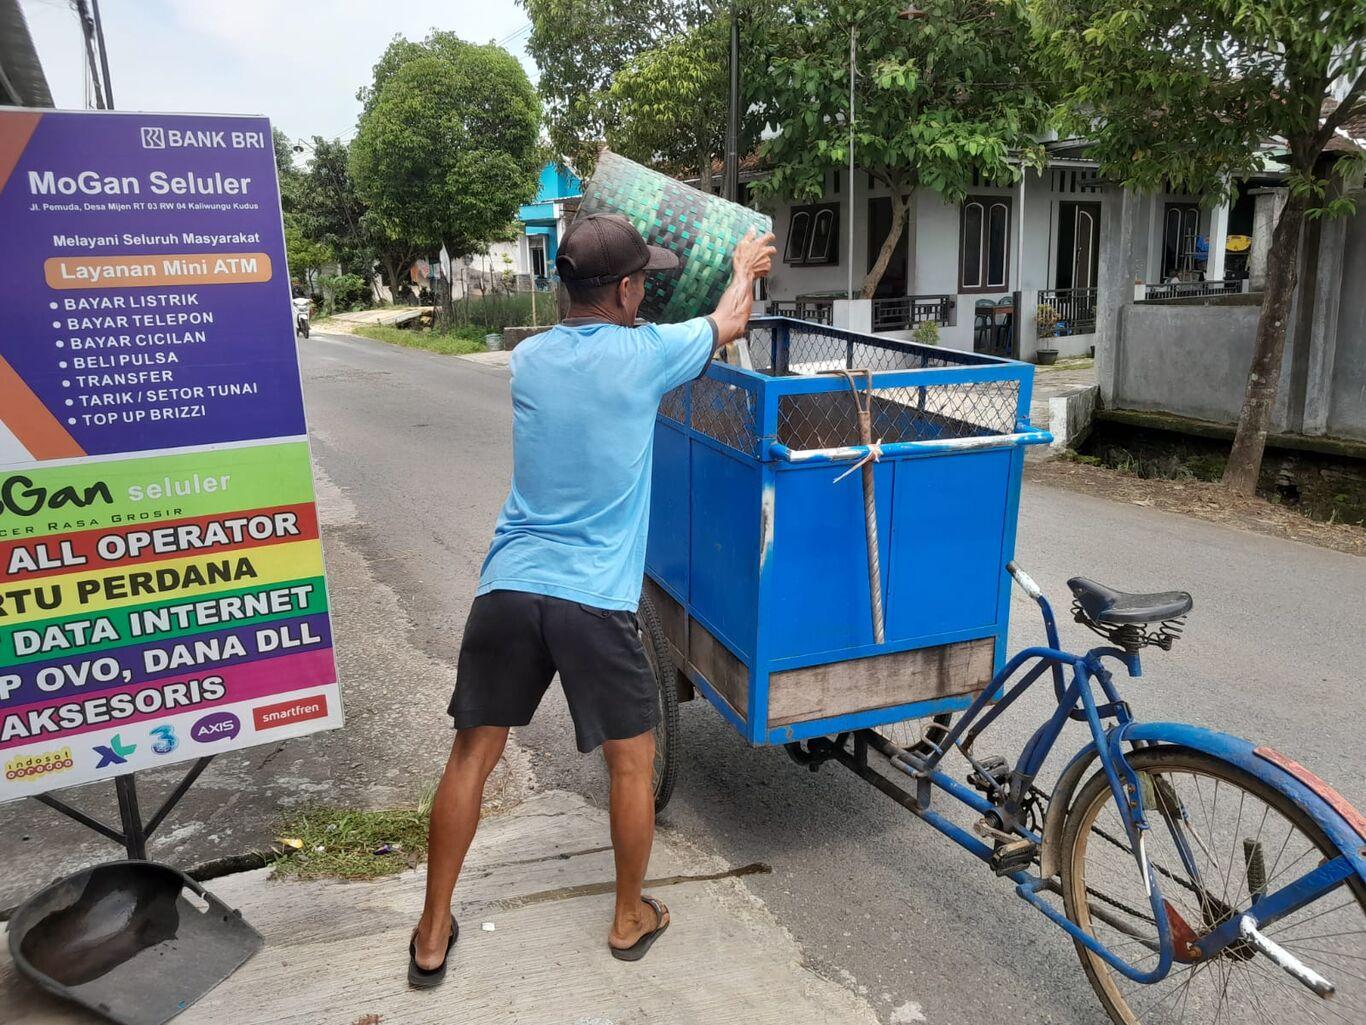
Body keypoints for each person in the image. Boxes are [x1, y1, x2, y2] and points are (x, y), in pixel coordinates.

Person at [409, 214, 776, 986]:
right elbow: (732, 320)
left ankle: (432, 930)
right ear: (627, 288)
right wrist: (744, 264)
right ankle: (627, 916)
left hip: (508, 585)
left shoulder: (528, 358)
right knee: (632, 765)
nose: (646, 289)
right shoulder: (645, 355)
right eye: (642, 278)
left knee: (472, 755)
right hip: (594, 601)